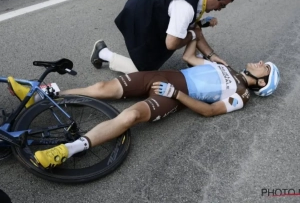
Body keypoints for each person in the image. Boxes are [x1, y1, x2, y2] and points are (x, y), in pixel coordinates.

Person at [27, 40, 280, 168]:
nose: (260, 62)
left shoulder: (242, 94)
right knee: (103, 88)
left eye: (264, 67)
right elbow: (189, 57)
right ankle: (46, 94)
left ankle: (67, 150)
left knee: (129, 116)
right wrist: (194, 32)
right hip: (168, 77)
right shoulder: (228, 67)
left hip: (174, 93)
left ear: (261, 82)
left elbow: (210, 110)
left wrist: (176, 95)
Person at [90, 0, 236, 73]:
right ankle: (103, 53)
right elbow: (172, 44)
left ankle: (195, 59)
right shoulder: (185, 7)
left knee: (186, 31)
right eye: (221, 5)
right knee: (145, 70)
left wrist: (211, 55)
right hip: (139, 16)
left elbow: (194, 25)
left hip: (147, 5)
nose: (219, 9)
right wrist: (192, 35)